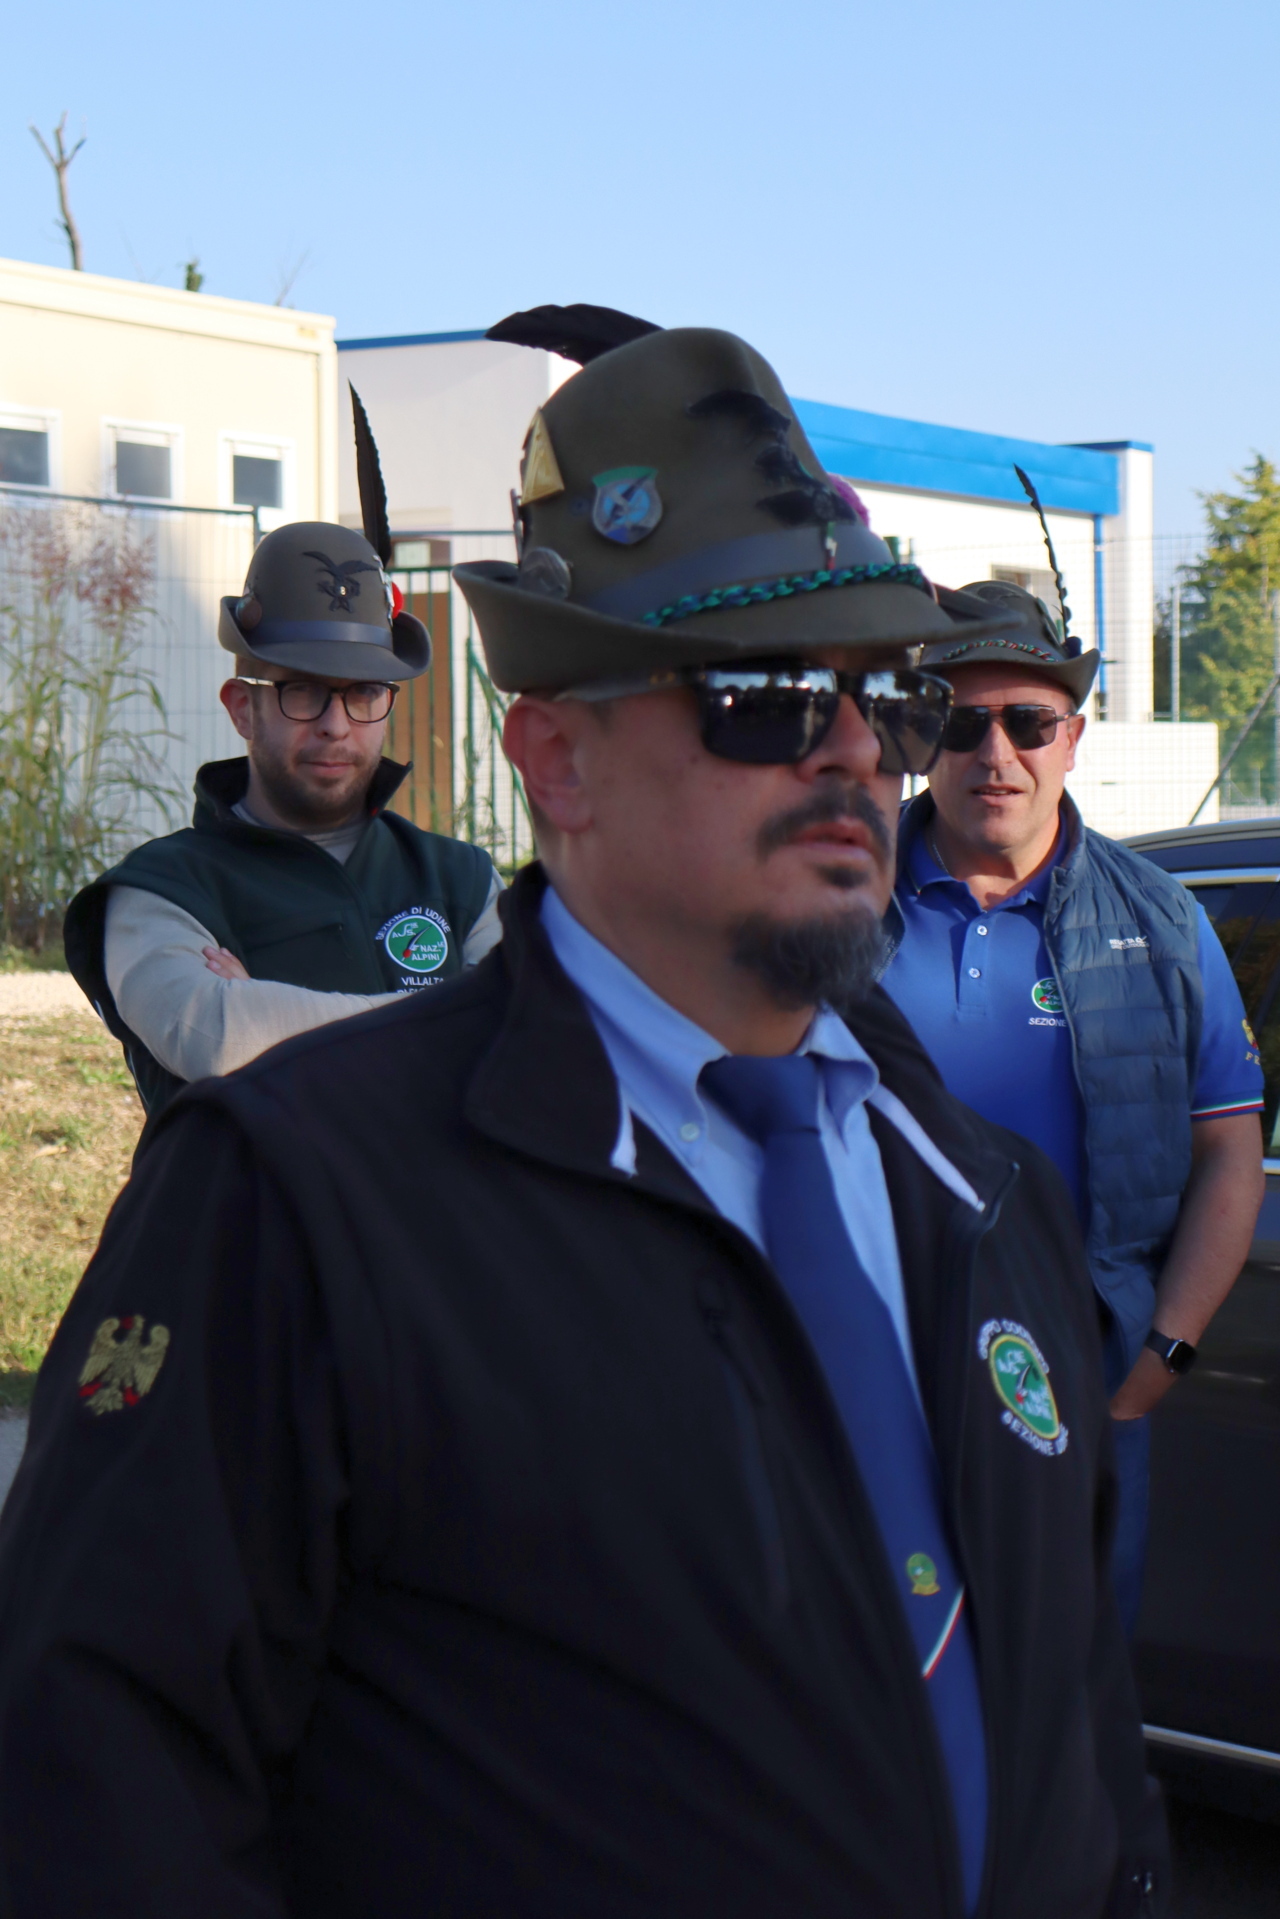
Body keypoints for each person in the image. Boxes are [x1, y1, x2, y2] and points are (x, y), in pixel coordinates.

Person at [0, 315, 1167, 1917]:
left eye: (888, 696)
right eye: (765, 691)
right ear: (555, 758)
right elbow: (100, 1782)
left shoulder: (984, 1198)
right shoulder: (298, 1203)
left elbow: (1084, 1730)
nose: (853, 748)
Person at [882, 574, 1266, 1634]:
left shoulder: (1162, 922)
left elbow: (1230, 1154)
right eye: (961, 722)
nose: (994, 752)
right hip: (870, 1369)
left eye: (1027, 721)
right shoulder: (835, 899)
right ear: (922, 737)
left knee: (1068, 1688)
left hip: (1081, 1381)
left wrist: (1157, 1362)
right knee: (875, 1694)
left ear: (1073, 737)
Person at [63, 517, 502, 1119]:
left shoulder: (462, 878)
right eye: (302, 690)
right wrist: (463, 1014)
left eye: (365, 692)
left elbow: (531, 1034)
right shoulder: (160, 892)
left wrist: (274, 1024)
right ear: (242, 707)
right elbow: (217, 1039)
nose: (336, 724)